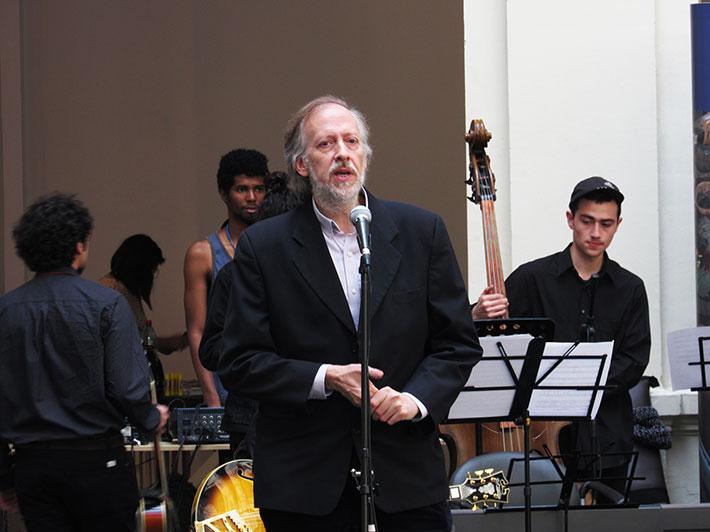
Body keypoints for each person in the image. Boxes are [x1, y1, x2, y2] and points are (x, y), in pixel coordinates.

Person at [217, 96, 481, 531]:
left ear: (364, 155)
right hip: (305, 483)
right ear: (302, 164)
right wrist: (325, 378)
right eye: (326, 144)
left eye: (351, 141)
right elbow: (241, 361)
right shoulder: (264, 247)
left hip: (406, 477)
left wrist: (414, 400)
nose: (342, 152)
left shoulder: (421, 231)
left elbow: (457, 344)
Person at [472, 176, 651, 499]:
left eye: (606, 224)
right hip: (540, 435)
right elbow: (491, 339)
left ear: (618, 225)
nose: (596, 233)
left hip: (607, 437)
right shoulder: (531, 278)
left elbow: (634, 359)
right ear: (570, 219)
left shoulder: (630, 288)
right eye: (587, 221)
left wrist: (577, 387)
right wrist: (477, 314)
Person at [0, 193, 169, 531]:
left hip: (33, 464)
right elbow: (126, 387)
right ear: (78, 247)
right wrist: (151, 417)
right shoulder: (106, 304)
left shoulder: (7, 310)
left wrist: (5, 476)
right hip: (97, 460)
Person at [199, 171, 310, 458]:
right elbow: (209, 350)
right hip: (249, 416)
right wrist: (252, 344)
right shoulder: (233, 276)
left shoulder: (316, 277)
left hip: (309, 415)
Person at [184, 149, 269, 407]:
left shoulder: (276, 247)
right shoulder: (203, 254)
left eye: (259, 188)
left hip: (272, 384)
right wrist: (211, 396)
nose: (252, 197)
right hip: (228, 386)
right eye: (242, 189)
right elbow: (197, 330)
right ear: (224, 193)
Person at [100, 234, 187, 401]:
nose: (154, 274)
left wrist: (174, 342)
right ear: (139, 266)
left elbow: (144, 340)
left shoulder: (128, 292)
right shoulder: (111, 293)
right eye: (152, 268)